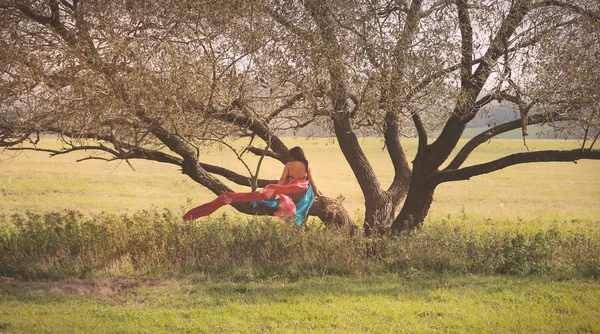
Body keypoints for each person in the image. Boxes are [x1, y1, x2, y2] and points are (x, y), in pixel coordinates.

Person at [183, 146, 322, 225]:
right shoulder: (307, 165)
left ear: (293, 156)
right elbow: (313, 182)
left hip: (290, 192)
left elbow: (281, 180)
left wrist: (277, 192)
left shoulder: (289, 165)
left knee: (267, 196)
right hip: (302, 193)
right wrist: (317, 193)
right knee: (305, 192)